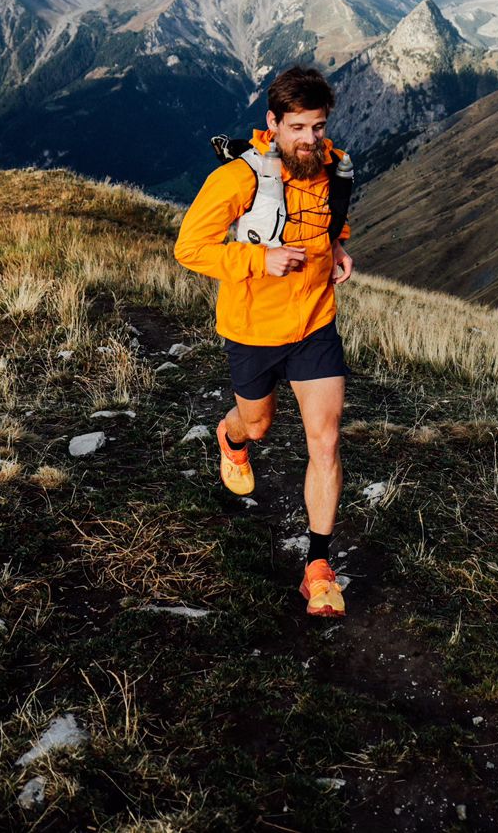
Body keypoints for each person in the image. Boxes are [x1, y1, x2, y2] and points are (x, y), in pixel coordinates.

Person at [172, 65, 355, 617]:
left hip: (315, 324)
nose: (310, 139)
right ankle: (231, 440)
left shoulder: (333, 166)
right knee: (257, 425)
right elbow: (190, 248)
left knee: (325, 440)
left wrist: (338, 249)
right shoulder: (238, 178)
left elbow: (331, 220)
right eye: (297, 127)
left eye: (318, 126)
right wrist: (259, 258)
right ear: (272, 123)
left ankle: (318, 569)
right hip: (252, 329)